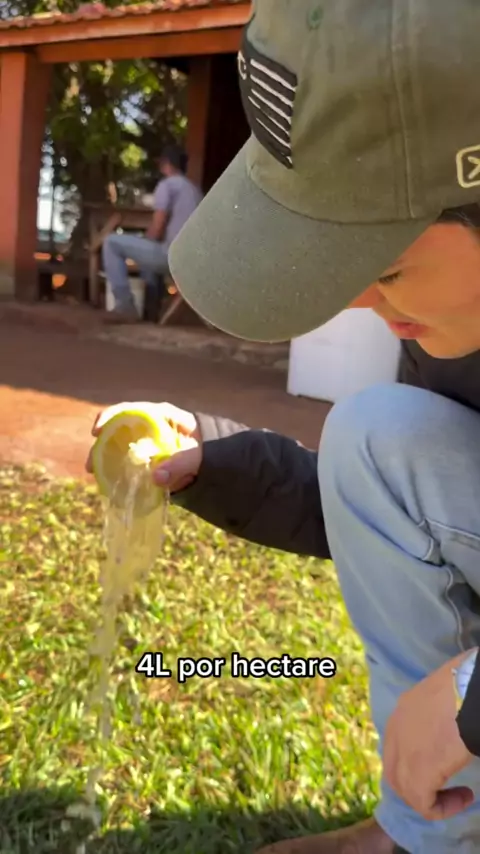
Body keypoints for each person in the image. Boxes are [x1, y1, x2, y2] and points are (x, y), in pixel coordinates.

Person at [87, 1, 480, 851]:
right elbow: (387, 507)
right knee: (376, 438)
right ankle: (435, 834)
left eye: (382, 265)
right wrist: (209, 459)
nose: (350, 300)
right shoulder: (451, 334)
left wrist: (470, 691)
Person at [102, 143, 202, 323]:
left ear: (166, 163)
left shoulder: (167, 185)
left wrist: (145, 240)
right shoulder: (195, 190)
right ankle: (151, 312)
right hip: (195, 262)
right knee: (149, 253)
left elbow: (157, 227)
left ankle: (125, 306)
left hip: (173, 258)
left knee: (111, 242)